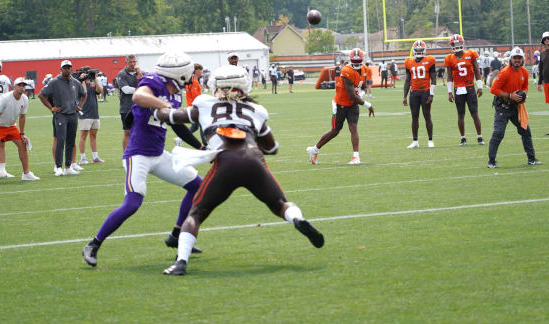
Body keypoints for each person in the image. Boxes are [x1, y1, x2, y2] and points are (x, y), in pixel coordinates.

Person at [157, 65, 324, 275]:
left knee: (196, 213)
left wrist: (153, 104)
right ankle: (297, 219)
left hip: (225, 161)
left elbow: (170, 116)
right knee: (280, 204)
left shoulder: (204, 104)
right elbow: (272, 148)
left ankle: (181, 262)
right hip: (254, 158)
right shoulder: (256, 110)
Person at [81, 51, 204, 268]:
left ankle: (177, 234)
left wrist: (200, 147)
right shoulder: (154, 82)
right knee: (133, 203)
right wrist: (162, 105)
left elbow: (177, 125)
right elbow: (138, 97)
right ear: (181, 73)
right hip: (137, 155)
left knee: (198, 187)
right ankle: (93, 244)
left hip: (158, 154)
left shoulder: (175, 93)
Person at [306, 48, 375, 165]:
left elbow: (363, 87)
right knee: (335, 131)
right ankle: (315, 149)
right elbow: (352, 96)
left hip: (353, 104)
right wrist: (368, 104)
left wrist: (362, 94)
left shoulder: (365, 69)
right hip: (341, 104)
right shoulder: (346, 70)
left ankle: (356, 157)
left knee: (353, 128)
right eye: (355, 61)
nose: (357, 63)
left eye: (359, 61)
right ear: (350, 60)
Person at [488, 47, 541, 168]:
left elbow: (525, 87)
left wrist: (523, 95)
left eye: (519, 58)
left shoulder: (525, 72)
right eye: (515, 58)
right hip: (502, 106)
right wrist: (510, 95)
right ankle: (491, 161)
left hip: (516, 107)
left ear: (523, 59)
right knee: (498, 133)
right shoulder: (505, 72)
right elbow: (493, 89)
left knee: (525, 131)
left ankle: (531, 159)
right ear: (511, 59)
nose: (517, 60)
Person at [0, 78, 40, 184]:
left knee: (23, 144)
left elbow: (22, 117)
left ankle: (26, 173)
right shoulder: (5, 98)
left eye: (23, 85)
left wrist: (22, 134)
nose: (22, 87)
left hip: (11, 125)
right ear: (14, 86)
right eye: (19, 85)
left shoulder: (25, 99)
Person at [38, 59, 86, 176]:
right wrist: (52, 108)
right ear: (61, 69)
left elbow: (84, 94)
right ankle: (58, 167)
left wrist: (79, 106)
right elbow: (41, 95)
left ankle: (68, 167)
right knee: (60, 140)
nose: (67, 69)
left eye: (69, 67)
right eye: (65, 67)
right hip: (61, 115)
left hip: (73, 115)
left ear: (71, 69)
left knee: (70, 141)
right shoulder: (54, 82)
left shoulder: (75, 82)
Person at [443, 34, 484, 146]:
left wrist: (480, 86)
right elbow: (449, 77)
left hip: (470, 86)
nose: (457, 46)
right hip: (458, 88)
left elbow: (477, 71)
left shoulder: (470, 54)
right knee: (460, 114)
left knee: (474, 113)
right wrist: (449, 92)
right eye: (454, 44)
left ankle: (479, 137)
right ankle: (463, 138)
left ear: (462, 43)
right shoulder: (449, 58)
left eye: (458, 43)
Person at [403, 40, 437, 149]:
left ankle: (430, 140)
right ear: (413, 50)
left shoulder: (430, 60)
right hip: (414, 93)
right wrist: (404, 96)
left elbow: (434, 79)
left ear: (424, 50)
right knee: (414, 117)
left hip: (425, 91)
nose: (418, 51)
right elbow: (407, 80)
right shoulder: (409, 61)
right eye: (417, 50)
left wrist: (431, 94)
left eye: (420, 50)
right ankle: (415, 141)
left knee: (427, 116)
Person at [115, 55, 142, 150]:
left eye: (134, 62)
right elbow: (126, 89)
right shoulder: (121, 74)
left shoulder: (140, 73)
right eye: (130, 62)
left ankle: (139, 155)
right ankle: (126, 157)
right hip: (126, 108)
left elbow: (147, 84)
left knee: (141, 132)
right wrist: (140, 89)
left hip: (140, 107)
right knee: (127, 132)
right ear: (126, 63)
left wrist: (140, 74)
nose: (133, 64)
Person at [77, 68, 104, 164]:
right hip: (84, 113)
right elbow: (84, 93)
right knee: (83, 136)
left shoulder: (92, 83)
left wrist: (95, 79)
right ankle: (83, 158)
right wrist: (83, 80)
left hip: (94, 113)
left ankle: (95, 157)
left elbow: (100, 91)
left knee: (93, 136)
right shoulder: (79, 83)